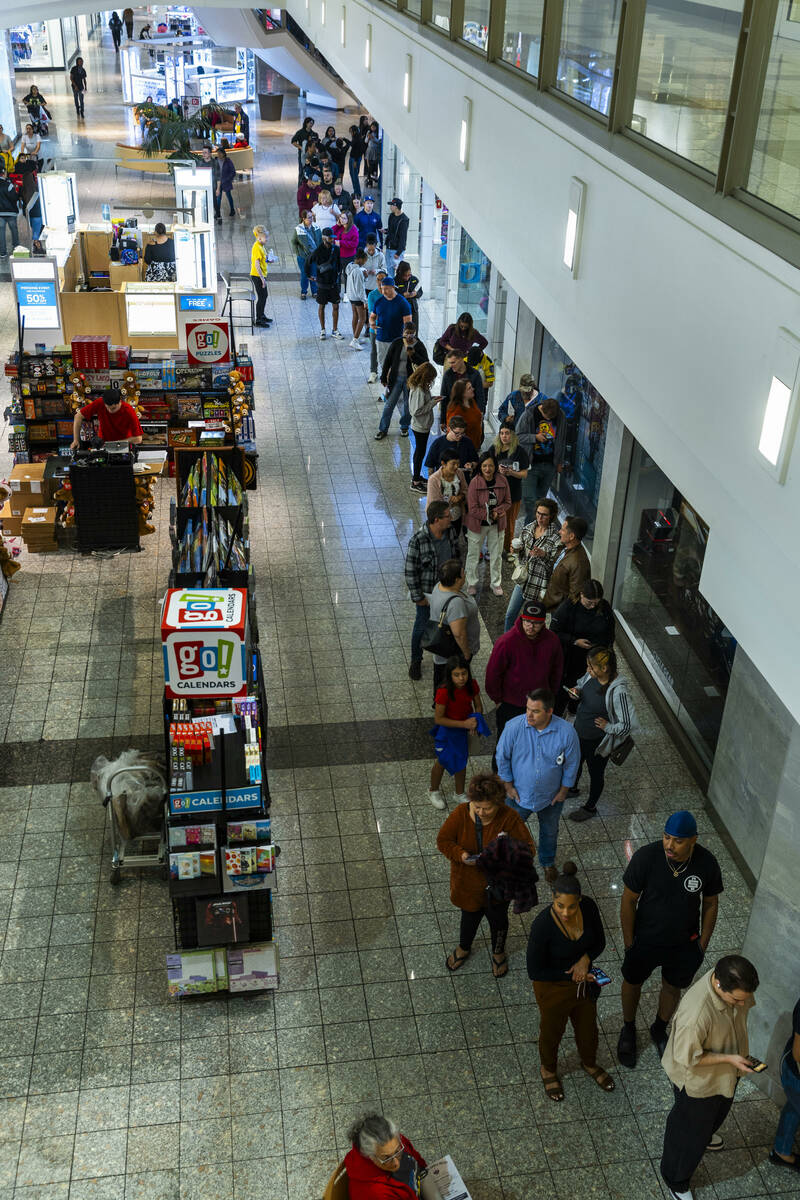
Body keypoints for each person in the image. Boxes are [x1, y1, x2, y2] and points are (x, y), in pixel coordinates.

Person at [617, 809, 724, 1071]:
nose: (669, 845)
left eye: (677, 840)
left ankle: (659, 1028)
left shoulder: (706, 863)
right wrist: (629, 942)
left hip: (683, 944)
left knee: (672, 987)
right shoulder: (646, 858)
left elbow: (711, 903)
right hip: (645, 940)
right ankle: (628, 1029)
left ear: (693, 840)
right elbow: (629, 900)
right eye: (666, 837)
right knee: (632, 982)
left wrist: (702, 944)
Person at [659, 956, 759, 1200]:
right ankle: (676, 1180)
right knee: (687, 1132)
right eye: (736, 1000)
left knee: (714, 1116)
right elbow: (688, 1058)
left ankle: (703, 1134)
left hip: (725, 1074)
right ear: (717, 984)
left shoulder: (736, 990)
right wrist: (729, 1059)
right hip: (698, 1083)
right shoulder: (696, 1015)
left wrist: (734, 1060)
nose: (742, 1004)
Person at [527, 862, 615, 1102]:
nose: (566, 913)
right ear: (552, 900)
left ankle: (589, 1062)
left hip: (583, 982)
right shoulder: (542, 926)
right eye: (559, 906)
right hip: (552, 987)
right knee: (552, 1031)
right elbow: (534, 970)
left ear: (580, 900)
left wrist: (585, 960)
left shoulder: (589, 907)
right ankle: (548, 1069)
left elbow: (600, 942)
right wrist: (573, 974)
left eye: (572, 906)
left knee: (588, 1028)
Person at [436, 772, 534, 977]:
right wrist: (461, 855)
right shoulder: (461, 814)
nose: (481, 812)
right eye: (476, 806)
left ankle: (499, 952)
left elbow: (529, 848)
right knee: (468, 919)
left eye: (487, 808)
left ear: (498, 803)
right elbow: (443, 841)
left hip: (498, 887)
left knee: (499, 922)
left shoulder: (509, 817)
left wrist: (506, 851)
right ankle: (464, 947)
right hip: (468, 885)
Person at [496, 687, 579, 883]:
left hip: (551, 797)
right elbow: (502, 757)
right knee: (509, 830)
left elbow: (572, 763)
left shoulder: (566, 732)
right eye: (527, 709)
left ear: (549, 711)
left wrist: (564, 790)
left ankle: (547, 863)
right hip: (518, 796)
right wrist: (508, 785)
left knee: (549, 832)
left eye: (535, 711)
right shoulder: (514, 727)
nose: (529, 715)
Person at [567, 646, 637, 822]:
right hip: (579, 732)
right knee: (575, 762)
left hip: (597, 742)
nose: (588, 670)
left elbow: (628, 724)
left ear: (604, 668)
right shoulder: (591, 676)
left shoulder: (618, 691)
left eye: (591, 667)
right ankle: (572, 788)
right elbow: (581, 685)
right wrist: (576, 692)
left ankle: (590, 807)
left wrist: (608, 727)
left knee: (595, 773)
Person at [485, 599, 564, 748]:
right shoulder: (506, 642)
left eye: (536, 623)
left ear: (543, 623)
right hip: (511, 705)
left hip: (540, 704)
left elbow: (557, 670)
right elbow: (493, 674)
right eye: (527, 621)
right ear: (521, 619)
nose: (530, 626)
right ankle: (499, 771)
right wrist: (498, 700)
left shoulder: (552, 641)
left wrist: (550, 695)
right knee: (506, 744)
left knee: (534, 743)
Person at [404, 501, 461, 681]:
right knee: (421, 626)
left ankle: (448, 658)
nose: (451, 518)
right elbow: (410, 571)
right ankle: (416, 660)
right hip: (428, 594)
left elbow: (457, 555)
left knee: (449, 626)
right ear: (436, 519)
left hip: (449, 592)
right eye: (447, 515)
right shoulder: (418, 540)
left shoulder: (450, 532)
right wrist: (418, 596)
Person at [551, 581, 615, 714]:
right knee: (565, 691)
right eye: (589, 602)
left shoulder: (604, 607)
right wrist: (574, 641)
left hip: (595, 658)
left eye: (595, 603)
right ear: (581, 595)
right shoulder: (568, 607)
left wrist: (605, 649)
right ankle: (558, 715)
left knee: (588, 690)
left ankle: (576, 713)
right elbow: (554, 631)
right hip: (572, 658)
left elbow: (610, 632)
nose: (592, 606)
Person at [430, 656, 482, 810]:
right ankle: (433, 790)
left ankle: (459, 793)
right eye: (457, 675)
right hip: (447, 731)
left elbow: (478, 706)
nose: (461, 678)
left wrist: (475, 719)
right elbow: (439, 719)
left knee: (462, 760)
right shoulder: (443, 692)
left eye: (464, 673)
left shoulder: (471, 685)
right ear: (450, 675)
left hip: (463, 730)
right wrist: (464, 723)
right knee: (442, 761)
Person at [504, 496, 561, 631]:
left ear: (551, 516)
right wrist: (516, 550)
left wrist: (544, 555)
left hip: (538, 584)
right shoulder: (529, 528)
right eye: (538, 513)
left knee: (532, 622)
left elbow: (555, 564)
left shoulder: (555, 537)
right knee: (510, 615)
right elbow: (521, 553)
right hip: (523, 580)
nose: (540, 518)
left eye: (544, 515)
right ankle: (505, 644)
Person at [426, 557, 480, 695]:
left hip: (442, 650)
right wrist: (466, 654)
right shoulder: (456, 604)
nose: (465, 574)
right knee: (451, 683)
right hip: (454, 652)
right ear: (457, 580)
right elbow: (459, 634)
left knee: (440, 678)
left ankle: (438, 701)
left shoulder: (439, 586)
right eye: (463, 573)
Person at [344, 1112, 427, 1200]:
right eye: (387, 1158)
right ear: (369, 1156)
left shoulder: (390, 1140)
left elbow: (418, 1161)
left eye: (398, 1151)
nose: (396, 1163)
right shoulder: (376, 1194)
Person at [464, 453, 510, 596]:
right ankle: (471, 583)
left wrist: (498, 511)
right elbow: (471, 508)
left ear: (495, 466)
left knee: (496, 555)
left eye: (490, 465)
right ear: (480, 467)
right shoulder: (475, 482)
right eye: (484, 466)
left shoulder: (502, 480)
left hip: (497, 524)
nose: (488, 469)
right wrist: (488, 515)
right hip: (478, 525)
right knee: (473, 554)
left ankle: (496, 583)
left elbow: (508, 502)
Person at [517, 392, 567, 524]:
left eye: (552, 418)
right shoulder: (529, 415)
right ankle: (530, 531)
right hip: (530, 465)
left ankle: (534, 532)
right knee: (531, 501)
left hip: (550, 465)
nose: (550, 420)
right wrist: (535, 437)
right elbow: (518, 436)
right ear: (541, 409)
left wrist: (559, 462)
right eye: (547, 417)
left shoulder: (560, 416)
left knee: (541, 501)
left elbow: (562, 440)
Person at [375, 326, 428, 441]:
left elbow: (425, 363)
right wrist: (384, 377)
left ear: (414, 333)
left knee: (408, 405)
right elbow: (388, 360)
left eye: (411, 333)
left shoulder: (418, 345)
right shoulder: (397, 343)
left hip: (411, 381)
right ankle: (383, 429)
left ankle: (404, 426)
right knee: (389, 404)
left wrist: (412, 354)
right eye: (406, 332)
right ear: (403, 332)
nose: (408, 335)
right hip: (396, 379)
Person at [770, 992, 800, 1173]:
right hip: (796, 1072)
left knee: (795, 1107)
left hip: (794, 1073)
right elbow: (798, 1054)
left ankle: (781, 1151)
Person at [488, 426, 529, 556]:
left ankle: (507, 549)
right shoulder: (493, 450)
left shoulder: (520, 452)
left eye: (507, 433)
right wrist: (496, 470)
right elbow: (484, 468)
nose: (504, 436)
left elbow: (524, 474)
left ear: (513, 435)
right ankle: (493, 548)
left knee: (509, 524)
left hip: (513, 494)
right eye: (501, 433)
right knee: (494, 523)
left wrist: (511, 472)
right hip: (495, 493)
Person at [543, 516, 592, 610]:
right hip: (553, 604)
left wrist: (561, 614)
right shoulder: (565, 548)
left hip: (559, 609)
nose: (559, 532)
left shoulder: (579, 563)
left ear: (571, 536)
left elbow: (575, 596)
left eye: (563, 530)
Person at [370, 276, 412, 381]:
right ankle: (388, 390)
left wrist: (405, 341)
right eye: (382, 288)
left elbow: (408, 325)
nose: (383, 291)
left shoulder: (402, 303)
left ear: (393, 287)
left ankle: (394, 391)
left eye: (386, 289)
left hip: (396, 340)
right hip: (381, 339)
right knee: (384, 365)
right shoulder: (379, 301)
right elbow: (372, 317)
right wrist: (372, 324)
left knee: (396, 367)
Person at [71, 388, 143, 449]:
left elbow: (138, 439)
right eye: (107, 407)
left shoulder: (129, 411)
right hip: (102, 446)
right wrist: (76, 440)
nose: (109, 410)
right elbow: (78, 416)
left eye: (113, 408)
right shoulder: (99, 402)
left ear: (119, 402)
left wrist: (113, 444)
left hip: (123, 447)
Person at [306, 227, 343, 340]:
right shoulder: (317, 251)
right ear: (323, 238)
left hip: (333, 283)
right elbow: (308, 262)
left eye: (333, 238)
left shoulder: (336, 249)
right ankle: (323, 330)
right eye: (330, 238)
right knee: (321, 306)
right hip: (322, 284)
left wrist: (338, 275)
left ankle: (335, 330)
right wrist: (309, 276)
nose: (332, 240)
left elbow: (339, 263)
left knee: (336, 306)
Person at [408, 362, 439, 493]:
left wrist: (432, 399)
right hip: (420, 426)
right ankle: (415, 481)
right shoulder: (419, 390)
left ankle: (417, 477)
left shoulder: (420, 387)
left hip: (422, 425)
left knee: (420, 452)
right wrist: (432, 403)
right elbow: (416, 411)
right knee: (419, 453)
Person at [439, 350, 485, 427]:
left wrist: (480, 414)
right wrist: (442, 420)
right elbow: (444, 397)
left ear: (461, 359)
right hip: (454, 415)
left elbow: (480, 396)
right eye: (449, 363)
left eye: (453, 362)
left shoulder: (474, 374)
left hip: (471, 414)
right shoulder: (448, 375)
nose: (451, 365)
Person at [426, 452, 467, 531]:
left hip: (456, 515)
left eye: (458, 464)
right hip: (440, 518)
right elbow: (433, 503)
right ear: (443, 463)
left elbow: (465, 490)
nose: (456, 467)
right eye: (453, 464)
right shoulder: (434, 479)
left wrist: (460, 497)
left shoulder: (459, 473)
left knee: (455, 537)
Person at [445, 377, 482, 451]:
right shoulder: (455, 411)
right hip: (463, 448)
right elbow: (452, 432)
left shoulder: (471, 401)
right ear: (462, 393)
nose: (473, 389)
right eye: (469, 388)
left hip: (475, 444)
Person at [366, 268, 387, 382]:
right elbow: (373, 313)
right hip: (376, 328)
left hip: (389, 328)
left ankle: (386, 372)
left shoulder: (391, 294)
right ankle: (373, 372)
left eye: (382, 279)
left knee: (387, 351)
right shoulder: (372, 295)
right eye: (378, 279)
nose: (380, 282)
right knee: (374, 350)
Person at [345, 249, 368, 346]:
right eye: (364, 261)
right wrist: (365, 301)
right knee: (363, 318)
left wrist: (364, 277)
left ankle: (356, 337)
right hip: (358, 298)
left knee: (355, 316)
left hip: (351, 296)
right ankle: (354, 340)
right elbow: (360, 288)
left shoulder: (349, 267)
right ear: (360, 259)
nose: (364, 263)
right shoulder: (358, 271)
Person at [250, 225, 271, 329]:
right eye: (265, 237)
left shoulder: (261, 245)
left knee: (264, 296)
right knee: (262, 297)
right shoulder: (257, 247)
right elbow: (256, 265)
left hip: (261, 275)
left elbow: (263, 259)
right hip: (257, 276)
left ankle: (262, 315)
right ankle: (258, 319)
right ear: (259, 237)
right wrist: (262, 279)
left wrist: (268, 260)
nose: (267, 239)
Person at [384, 197, 408, 276]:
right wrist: (385, 231)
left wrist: (398, 252)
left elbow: (403, 237)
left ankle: (397, 288)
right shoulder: (391, 216)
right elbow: (391, 230)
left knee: (399, 273)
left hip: (396, 250)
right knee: (389, 272)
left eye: (392, 205)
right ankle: (391, 288)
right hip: (389, 248)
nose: (390, 207)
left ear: (396, 207)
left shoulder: (404, 220)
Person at [0, 166, 21, 259]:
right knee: (14, 231)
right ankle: (16, 249)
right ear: (4, 173)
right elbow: (14, 198)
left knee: (1, 233)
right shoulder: (9, 185)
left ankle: (3, 253)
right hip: (11, 212)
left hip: (0, 213)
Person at [393, 261, 422, 326]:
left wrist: (416, 294)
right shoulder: (395, 281)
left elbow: (420, 291)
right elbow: (392, 294)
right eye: (405, 276)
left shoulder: (414, 279)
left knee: (413, 330)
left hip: (413, 309)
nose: (407, 278)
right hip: (400, 309)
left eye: (409, 275)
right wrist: (402, 295)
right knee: (400, 330)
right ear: (400, 273)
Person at [334, 210, 359, 277]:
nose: (341, 220)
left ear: (349, 219)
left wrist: (341, 243)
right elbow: (330, 233)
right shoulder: (340, 227)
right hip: (338, 255)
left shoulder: (353, 229)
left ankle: (347, 288)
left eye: (344, 218)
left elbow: (355, 243)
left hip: (348, 257)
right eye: (341, 217)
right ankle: (337, 288)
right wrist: (337, 225)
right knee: (336, 276)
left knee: (347, 277)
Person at [291, 117, 315, 182]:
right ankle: (300, 187)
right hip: (302, 155)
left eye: (312, 123)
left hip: (311, 155)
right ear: (306, 123)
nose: (311, 125)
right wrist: (301, 147)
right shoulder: (300, 132)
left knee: (310, 171)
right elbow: (293, 141)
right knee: (302, 171)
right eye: (310, 123)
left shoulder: (313, 133)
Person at [216, 147, 236, 218]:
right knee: (218, 198)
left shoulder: (228, 161)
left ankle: (232, 210)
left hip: (226, 182)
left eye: (220, 153)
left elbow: (233, 172)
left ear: (224, 153)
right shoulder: (216, 160)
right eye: (217, 153)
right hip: (218, 183)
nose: (218, 154)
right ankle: (218, 212)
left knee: (229, 196)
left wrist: (228, 179)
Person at [347, 125, 365, 198]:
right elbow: (352, 145)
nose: (350, 133)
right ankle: (355, 191)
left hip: (355, 159)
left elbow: (360, 151)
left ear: (354, 131)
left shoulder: (358, 139)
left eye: (351, 131)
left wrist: (356, 160)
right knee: (352, 174)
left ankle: (357, 193)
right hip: (352, 158)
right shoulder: (355, 137)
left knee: (354, 176)